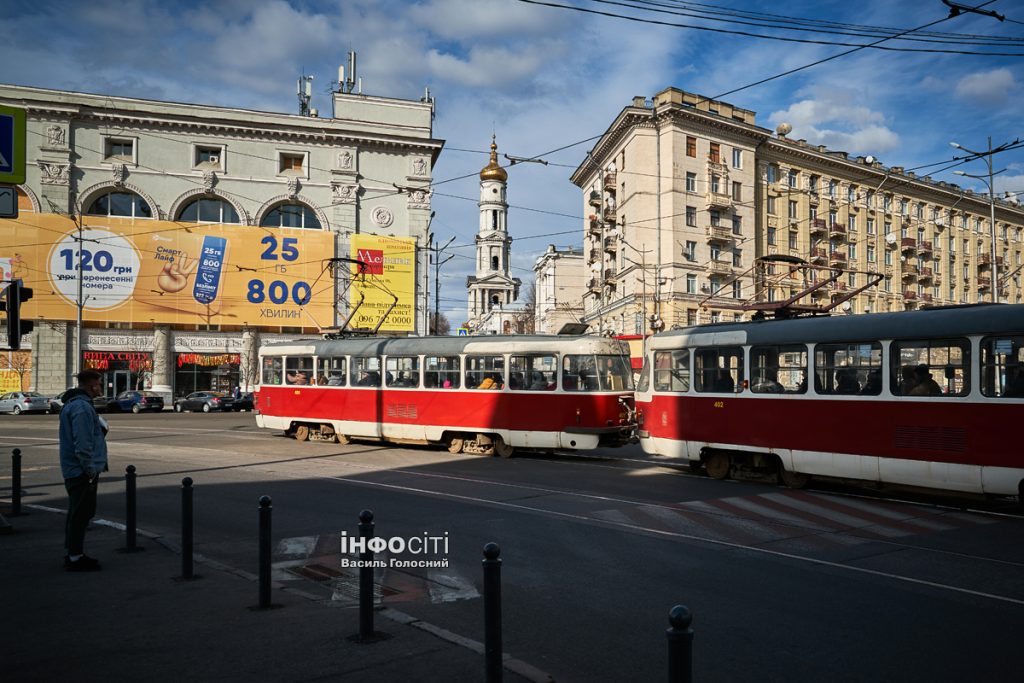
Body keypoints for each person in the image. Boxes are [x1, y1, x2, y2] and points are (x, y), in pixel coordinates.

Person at [58, 370, 109, 572]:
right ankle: (75, 557)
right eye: (99, 384)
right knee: (81, 513)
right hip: (80, 471)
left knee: (78, 512)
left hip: (75, 468)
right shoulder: (81, 408)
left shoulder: (75, 404)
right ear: (91, 386)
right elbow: (82, 443)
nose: (101, 389)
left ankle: (73, 552)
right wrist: (89, 470)